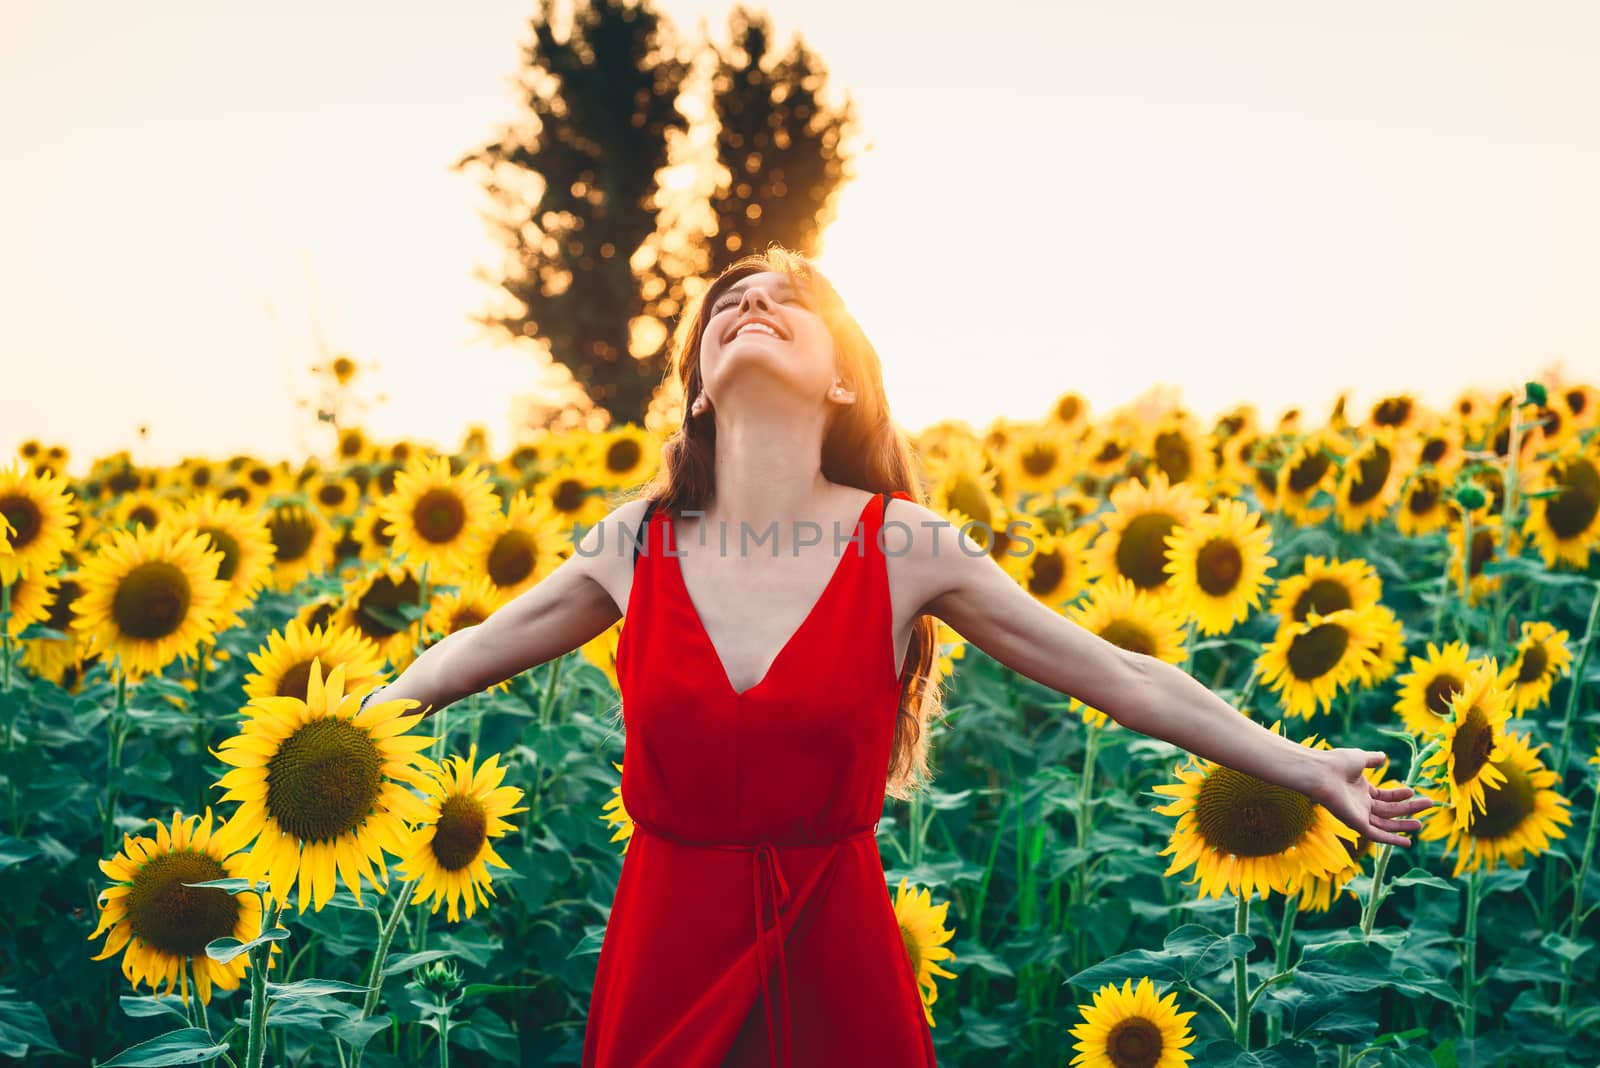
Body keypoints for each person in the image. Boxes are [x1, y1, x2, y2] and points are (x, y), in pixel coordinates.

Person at [361, 246, 1433, 1067]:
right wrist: (344, 733)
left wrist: (1301, 766)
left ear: (843, 384)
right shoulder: (632, 543)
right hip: (664, 950)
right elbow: (463, 655)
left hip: (835, 945)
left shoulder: (907, 545)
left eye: (787, 301)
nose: (750, 304)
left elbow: (1122, 674)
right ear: (695, 386)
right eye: (726, 304)